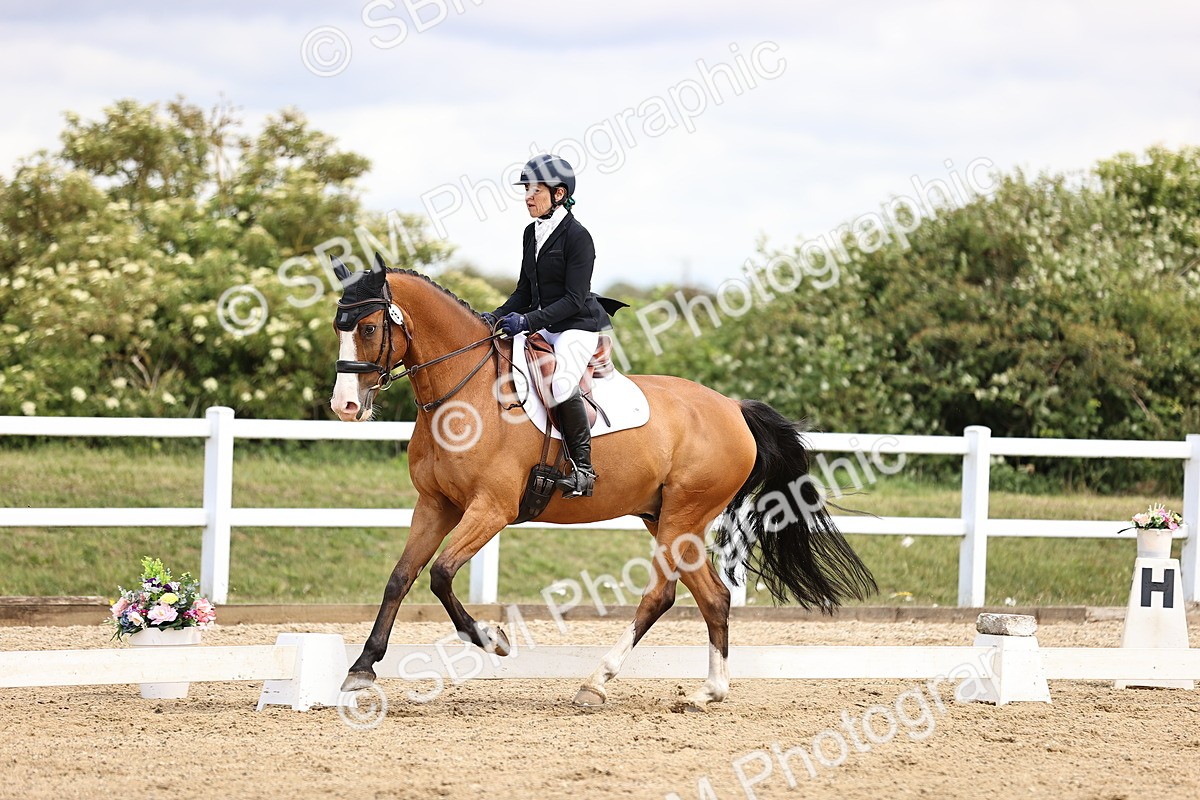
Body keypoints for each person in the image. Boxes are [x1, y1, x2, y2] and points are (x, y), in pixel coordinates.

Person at [481, 154, 624, 498]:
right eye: (526, 189)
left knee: (560, 385)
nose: (527, 196)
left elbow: (574, 299)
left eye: (534, 189)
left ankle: (584, 471)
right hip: (544, 323)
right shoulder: (532, 233)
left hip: (577, 326)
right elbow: (524, 292)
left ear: (558, 194)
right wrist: (495, 315)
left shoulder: (578, 237)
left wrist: (527, 321)